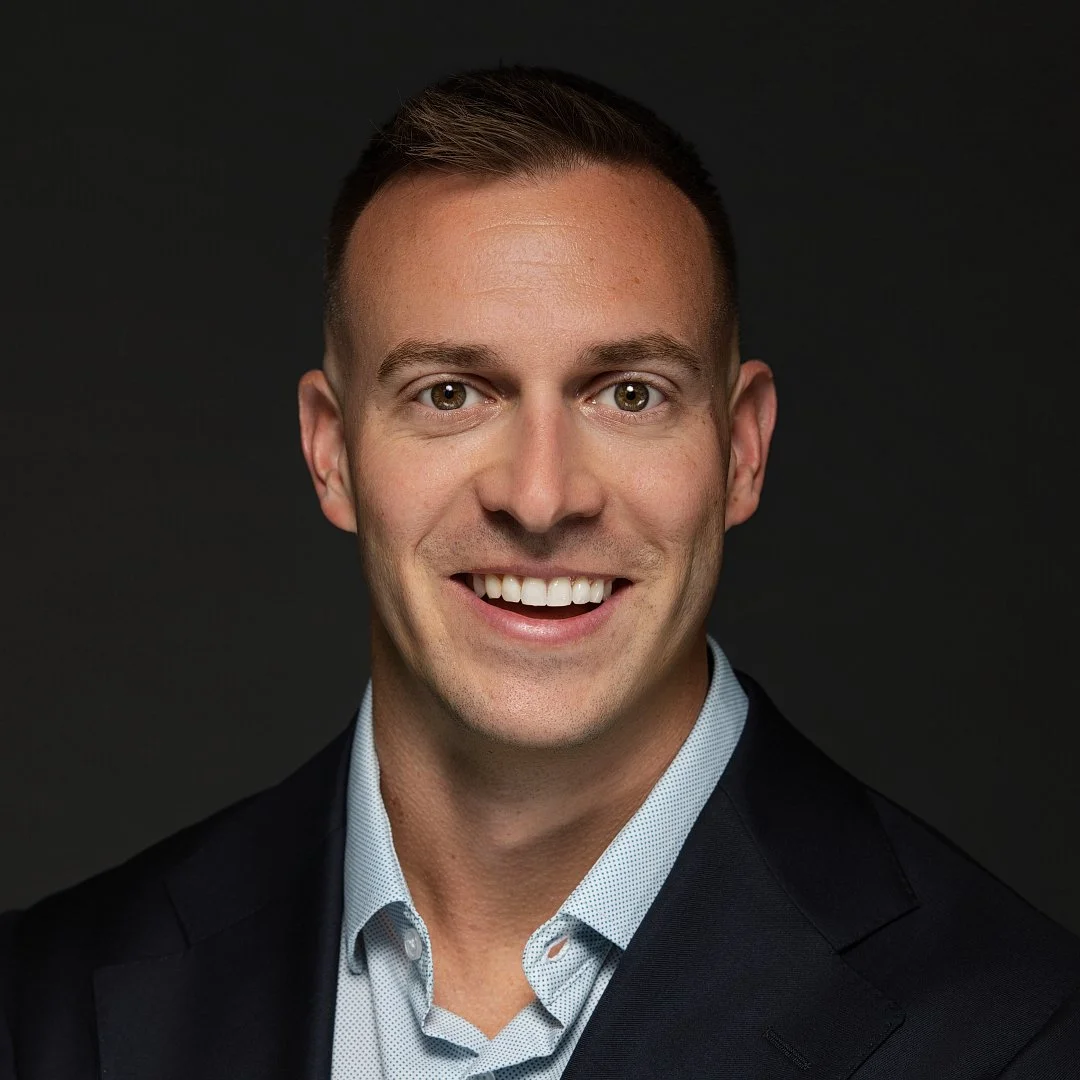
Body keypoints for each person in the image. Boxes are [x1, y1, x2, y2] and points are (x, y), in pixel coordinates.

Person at [2, 66, 1078, 1080]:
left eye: (629, 394)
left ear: (743, 449)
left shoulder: (1018, 1031)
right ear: (330, 453)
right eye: (450, 394)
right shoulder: (38, 1007)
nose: (541, 495)